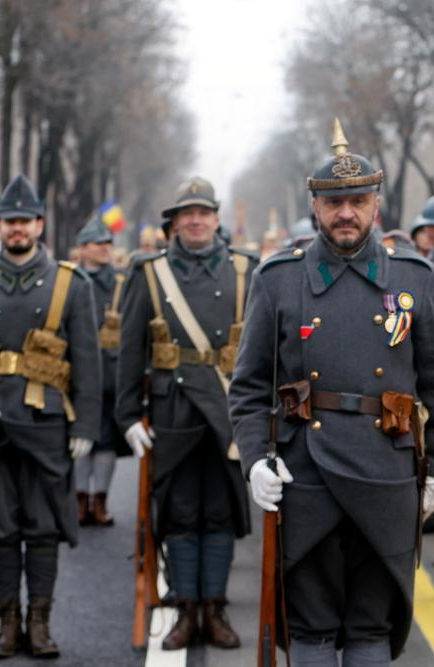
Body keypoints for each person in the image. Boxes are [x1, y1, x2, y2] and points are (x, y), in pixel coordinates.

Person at [228, 119, 434, 665]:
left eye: (357, 200)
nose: (346, 213)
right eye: (334, 202)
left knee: (370, 627)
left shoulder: (416, 278)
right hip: (305, 472)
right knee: (310, 627)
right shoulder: (277, 279)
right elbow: (249, 385)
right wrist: (256, 461)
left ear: (376, 203)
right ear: (316, 207)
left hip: (387, 470)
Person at [0, 174, 101, 658]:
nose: (17, 229)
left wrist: (86, 426)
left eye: (25, 221)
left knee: (44, 527)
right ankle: (7, 624)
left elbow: (88, 364)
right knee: (2, 529)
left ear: (39, 225)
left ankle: (40, 624)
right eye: (9, 222)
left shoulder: (70, 284)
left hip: (49, 427)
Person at [116, 176, 257, 650]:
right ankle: (185, 610)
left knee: (218, 513)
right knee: (177, 514)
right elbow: (129, 349)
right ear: (173, 223)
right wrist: (127, 417)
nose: (195, 220)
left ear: (217, 219)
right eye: (186, 214)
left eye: (203, 212)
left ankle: (213, 609)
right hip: (172, 410)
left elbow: (261, 353)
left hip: (226, 410)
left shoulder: (246, 270)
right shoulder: (148, 273)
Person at [73, 213, 131, 526]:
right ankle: (80, 498)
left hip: (112, 375)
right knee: (80, 438)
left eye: (108, 242)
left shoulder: (122, 281)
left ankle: (101, 501)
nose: (105, 248)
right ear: (82, 248)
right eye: (98, 243)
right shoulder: (68, 279)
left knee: (106, 440)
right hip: (77, 375)